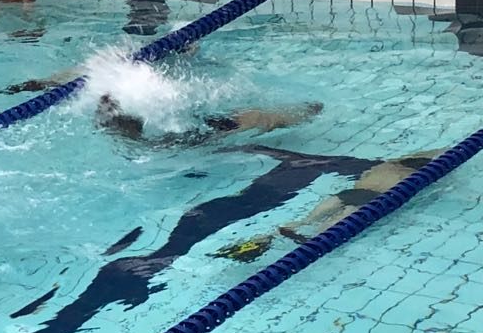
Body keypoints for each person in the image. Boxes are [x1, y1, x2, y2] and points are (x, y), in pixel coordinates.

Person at [278, 150, 443, 243]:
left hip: (352, 192)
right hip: (371, 198)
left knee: (305, 221)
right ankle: (314, 240)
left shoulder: (387, 165)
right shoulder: (409, 175)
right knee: (331, 226)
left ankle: (275, 234)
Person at [94, 94, 323, 145]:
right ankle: (121, 128)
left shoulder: (249, 114)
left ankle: (118, 125)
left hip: (216, 123)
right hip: (220, 127)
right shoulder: (259, 118)